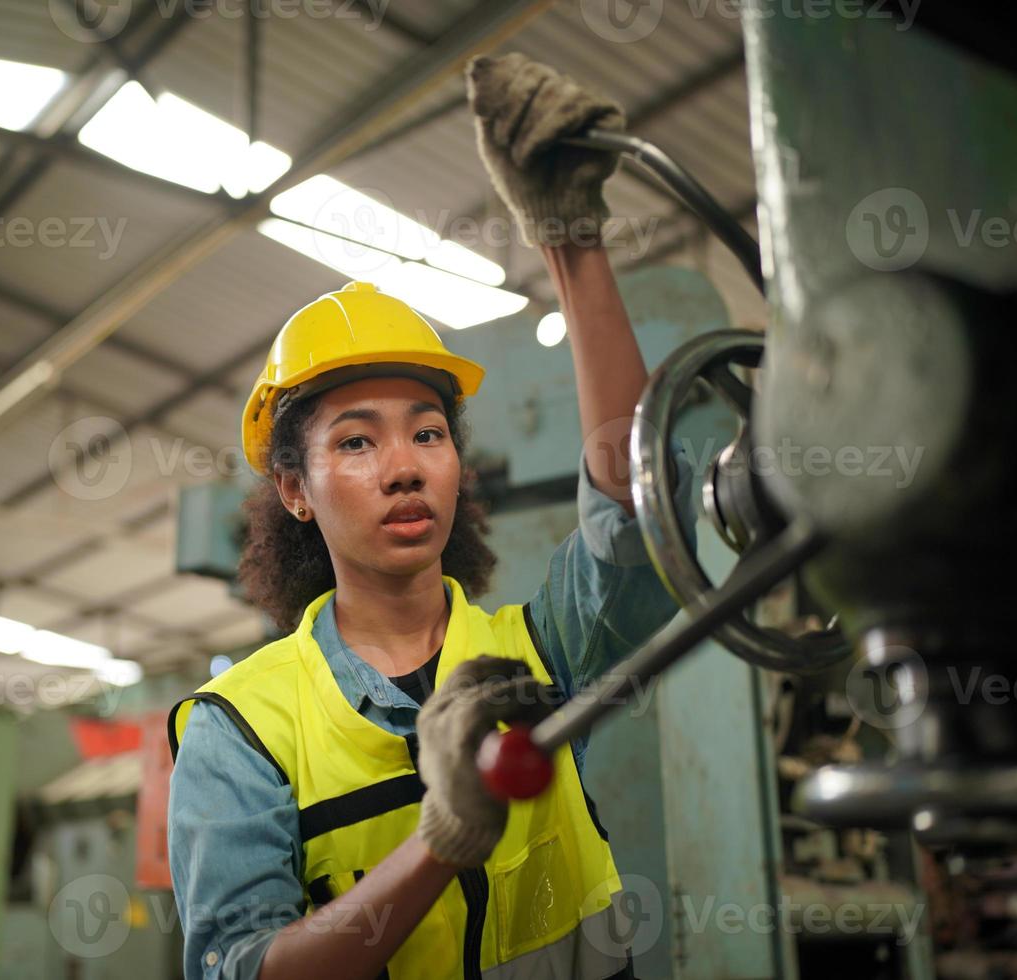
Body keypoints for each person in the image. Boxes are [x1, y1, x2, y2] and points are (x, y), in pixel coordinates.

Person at [167, 53, 696, 980]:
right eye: (358, 443)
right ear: (294, 490)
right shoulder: (239, 728)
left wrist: (572, 243)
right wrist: (443, 840)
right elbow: (245, 969)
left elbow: (633, 507)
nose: (405, 467)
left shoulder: (540, 658)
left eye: (427, 432)